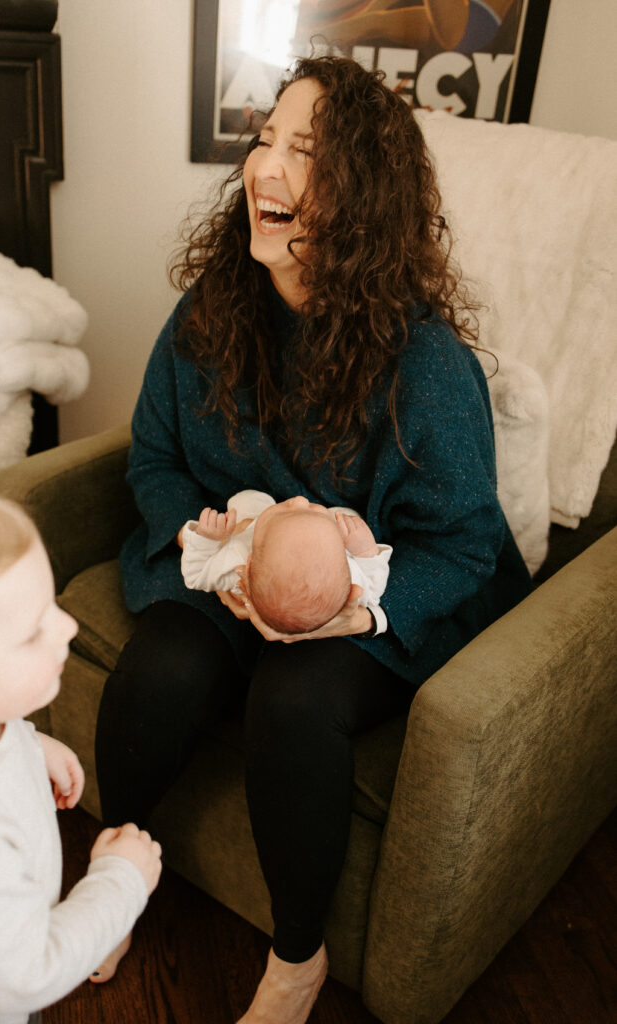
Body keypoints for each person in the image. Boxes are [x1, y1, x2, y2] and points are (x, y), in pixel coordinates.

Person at [95, 55, 531, 1023]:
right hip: (233, 568)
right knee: (159, 664)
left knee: (293, 699)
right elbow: (156, 461)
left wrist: (346, 607)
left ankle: (297, 953)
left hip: (380, 588)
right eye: (264, 139)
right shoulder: (210, 315)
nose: (265, 166)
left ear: (364, 198)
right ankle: (109, 882)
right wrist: (200, 542)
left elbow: (459, 547)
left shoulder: (423, 365)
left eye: (305, 150)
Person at [0, 487, 162, 1024]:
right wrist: (118, 881)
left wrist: (28, 745)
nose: (68, 627)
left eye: (52, 604)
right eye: (33, 630)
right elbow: (28, 975)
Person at [180, 490, 392, 634]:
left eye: (285, 511)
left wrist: (207, 538)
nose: (299, 499)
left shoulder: (236, 561)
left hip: (249, 525)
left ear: (250, 562)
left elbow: (196, 574)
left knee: (247, 501)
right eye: (313, 512)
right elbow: (372, 591)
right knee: (347, 517)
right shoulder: (348, 574)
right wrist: (365, 550)